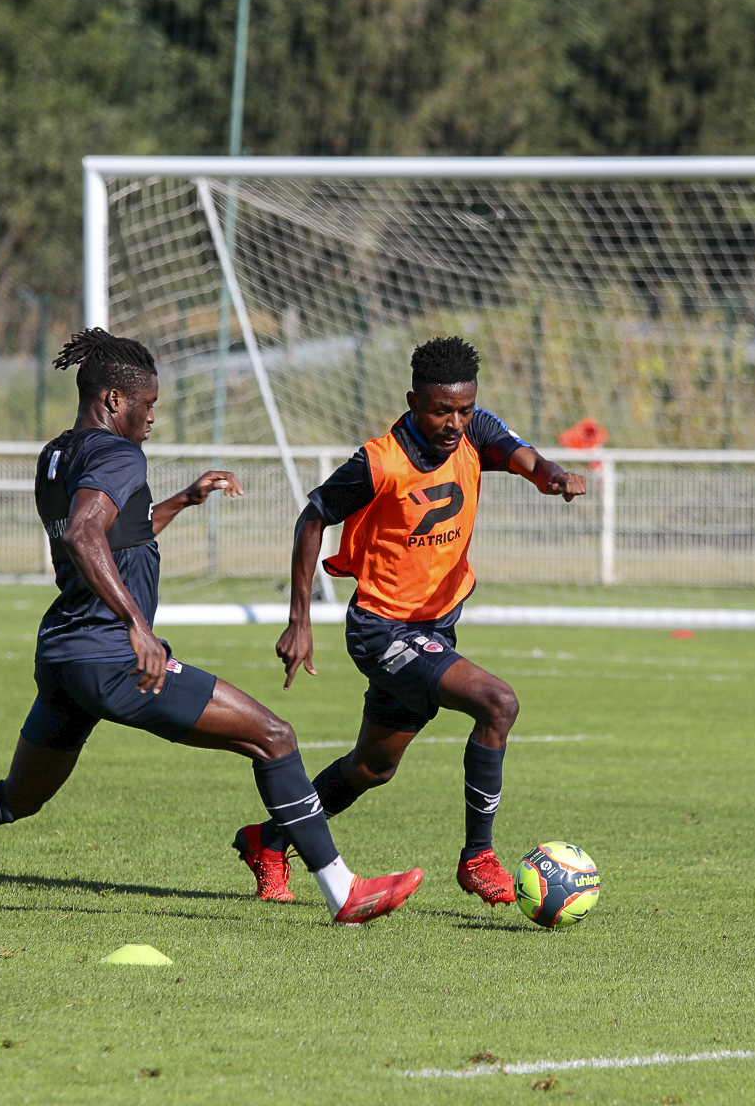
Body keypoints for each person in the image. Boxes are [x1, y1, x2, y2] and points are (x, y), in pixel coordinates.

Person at [0, 328, 422, 925]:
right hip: (110, 654)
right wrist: (137, 625)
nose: (152, 416)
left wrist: (182, 500)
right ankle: (342, 892)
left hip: (65, 655)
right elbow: (84, 534)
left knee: (20, 796)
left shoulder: (56, 455)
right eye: (146, 403)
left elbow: (112, 534)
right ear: (112, 398)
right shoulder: (118, 453)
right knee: (275, 738)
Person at [232, 335, 585, 906]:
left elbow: (530, 461)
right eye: (441, 411)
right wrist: (300, 620)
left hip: (435, 626)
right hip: (383, 631)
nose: (454, 423)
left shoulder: (476, 432)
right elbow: (313, 517)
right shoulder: (379, 461)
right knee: (498, 702)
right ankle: (478, 858)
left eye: (464, 409)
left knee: (372, 768)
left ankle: (267, 840)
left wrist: (555, 476)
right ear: (413, 401)